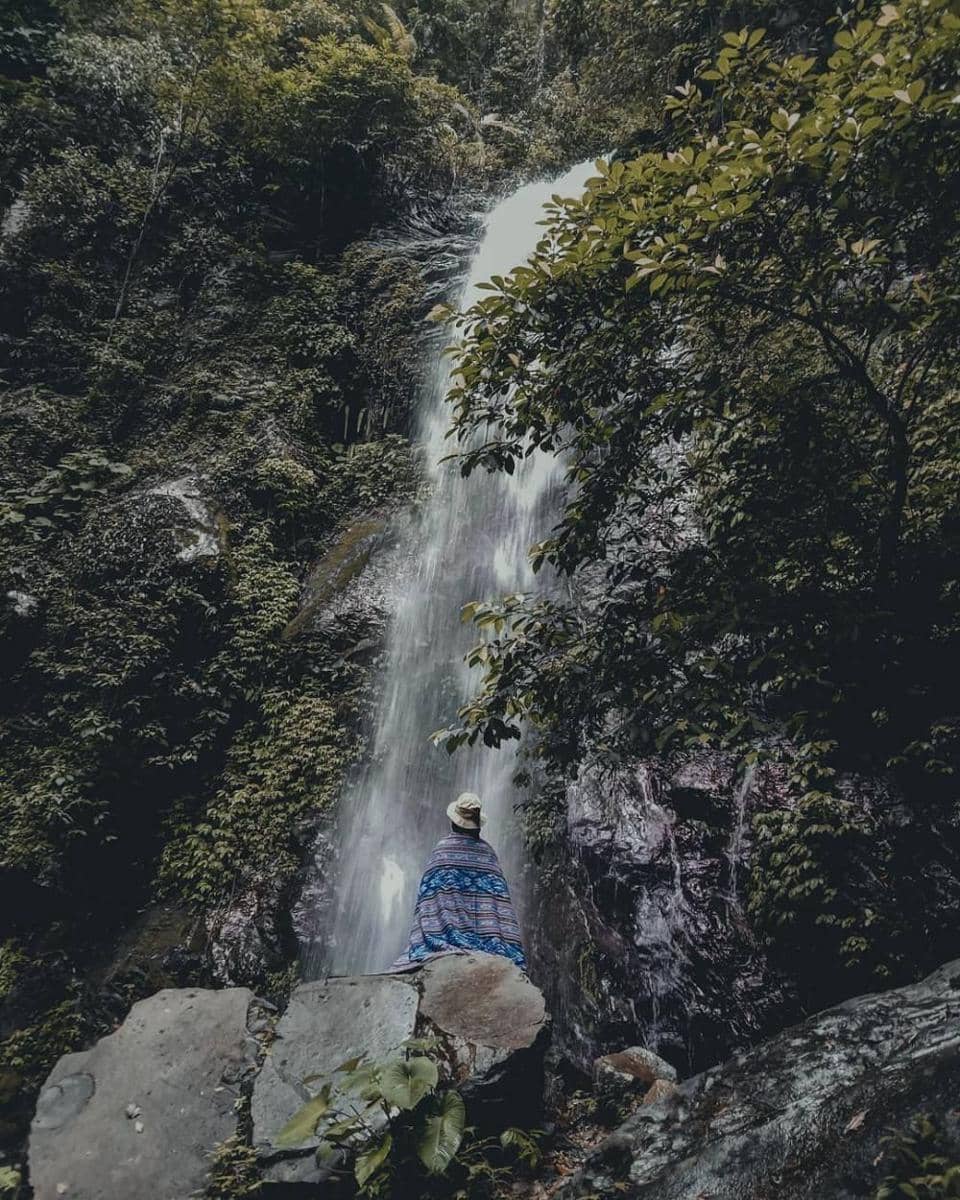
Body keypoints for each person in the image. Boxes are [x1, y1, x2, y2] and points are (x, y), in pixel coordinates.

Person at [391, 792, 526, 972]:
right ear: (477, 826)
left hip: (442, 936)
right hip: (488, 941)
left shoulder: (442, 851)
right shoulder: (488, 854)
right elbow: (500, 904)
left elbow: (428, 901)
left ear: (454, 822)